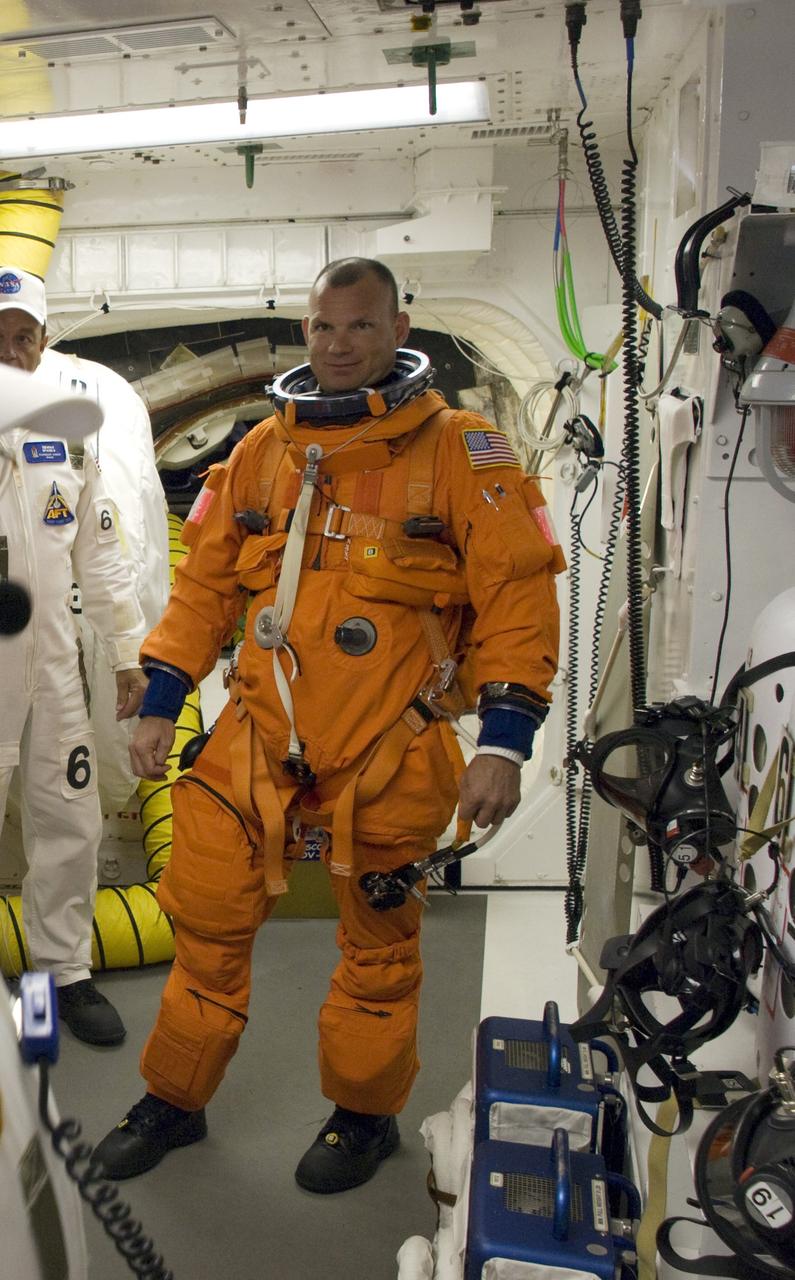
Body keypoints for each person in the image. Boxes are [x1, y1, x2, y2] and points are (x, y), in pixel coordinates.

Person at [93, 257, 563, 1190]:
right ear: (305, 333)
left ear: (398, 330)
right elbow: (204, 590)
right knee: (205, 927)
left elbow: (517, 600)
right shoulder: (263, 453)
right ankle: (175, 1102)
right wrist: (160, 703)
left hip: (392, 745)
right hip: (260, 739)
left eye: (358, 326)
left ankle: (362, 1118)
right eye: (321, 327)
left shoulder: (463, 452)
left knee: (379, 950)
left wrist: (504, 745)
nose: (338, 345)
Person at [0, 265, 148, 1044]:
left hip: (52, 664)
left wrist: (128, 652)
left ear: (43, 343)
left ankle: (58, 978)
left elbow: (102, 552)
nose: (9, 351)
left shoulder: (67, 434)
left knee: (68, 822)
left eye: (22, 336)